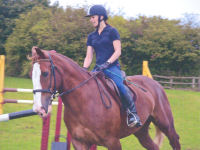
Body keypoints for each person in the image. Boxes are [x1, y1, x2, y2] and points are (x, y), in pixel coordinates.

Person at [83, 5, 142, 127]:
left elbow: (118, 51)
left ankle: (133, 114)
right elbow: (89, 56)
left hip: (112, 68)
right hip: (98, 69)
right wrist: (84, 70)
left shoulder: (112, 31)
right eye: (90, 18)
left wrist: (107, 63)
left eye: (92, 17)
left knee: (120, 86)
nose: (91, 20)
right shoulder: (91, 36)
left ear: (101, 17)